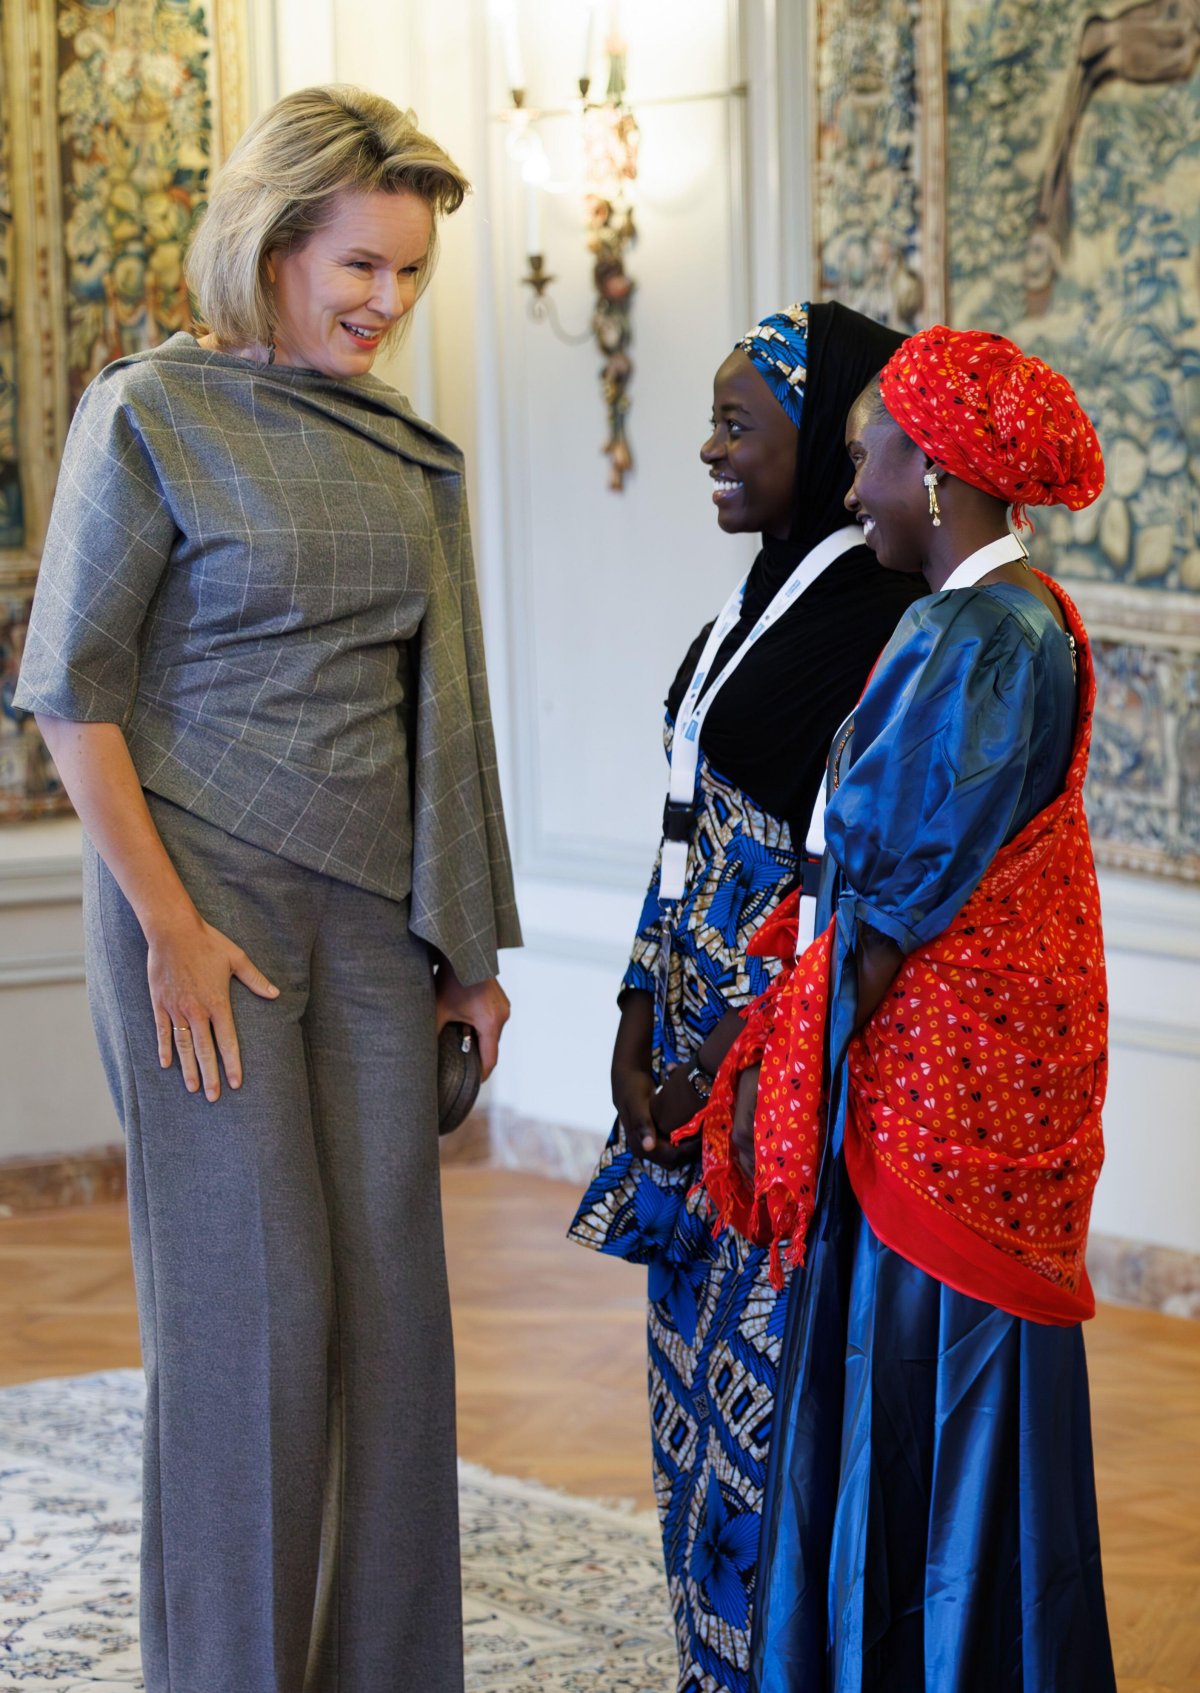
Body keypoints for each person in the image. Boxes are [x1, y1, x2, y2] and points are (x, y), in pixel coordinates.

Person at [13, 86, 520, 1693]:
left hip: (374, 921)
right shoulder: (149, 415)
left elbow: (448, 704)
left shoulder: (408, 453)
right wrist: (166, 927)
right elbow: (71, 694)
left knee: (389, 1320)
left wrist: (466, 950)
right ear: (273, 245)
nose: (387, 301)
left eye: (410, 272)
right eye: (360, 264)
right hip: (199, 904)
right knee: (258, 1318)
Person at [689, 326, 1116, 1692]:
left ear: (934, 473)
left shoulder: (975, 635)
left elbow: (888, 902)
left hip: (937, 1101)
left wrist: (773, 1061)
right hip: (959, 1080)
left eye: (870, 454)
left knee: (919, 1391)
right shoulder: (1023, 614)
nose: (854, 484)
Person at [569, 303, 924, 1693]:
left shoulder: (885, 631)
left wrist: (718, 1055)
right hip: (681, 1060)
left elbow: (851, 898)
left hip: (774, 1079)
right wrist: (632, 1022)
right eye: (712, 421)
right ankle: (708, 1665)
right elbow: (681, 841)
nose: (710, 449)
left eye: (738, 425)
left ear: (828, 440)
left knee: (773, 1414)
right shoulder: (751, 610)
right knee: (690, 1403)